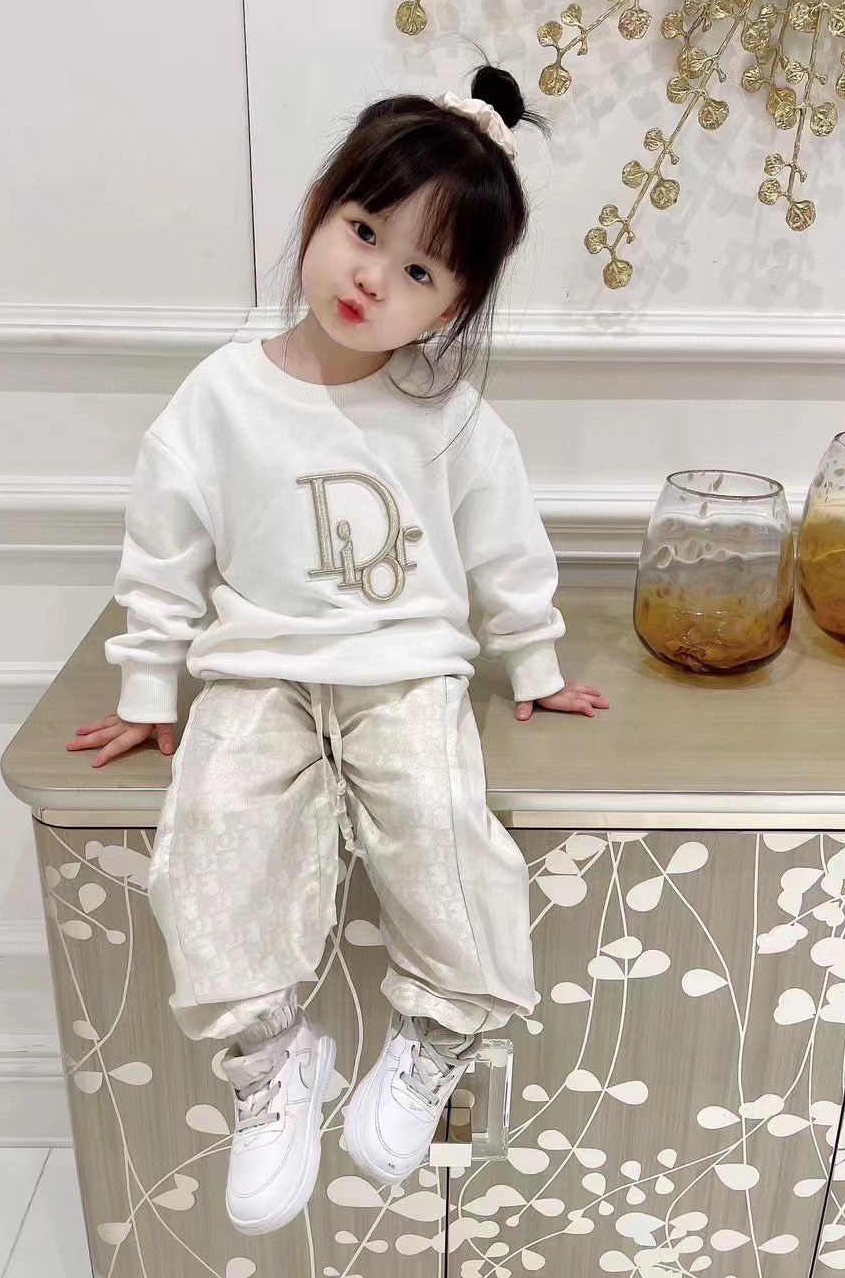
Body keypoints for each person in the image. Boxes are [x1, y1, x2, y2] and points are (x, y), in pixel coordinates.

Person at [66, 65, 609, 1237]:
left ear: (452, 307)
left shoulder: (449, 416)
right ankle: (271, 1059)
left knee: (440, 819)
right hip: (257, 668)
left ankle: (438, 1030)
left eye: (419, 270)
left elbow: (505, 545)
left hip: (405, 669)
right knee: (211, 827)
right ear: (319, 210)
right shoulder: (221, 396)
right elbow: (164, 550)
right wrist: (148, 688)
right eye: (364, 231)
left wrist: (535, 665)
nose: (373, 277)